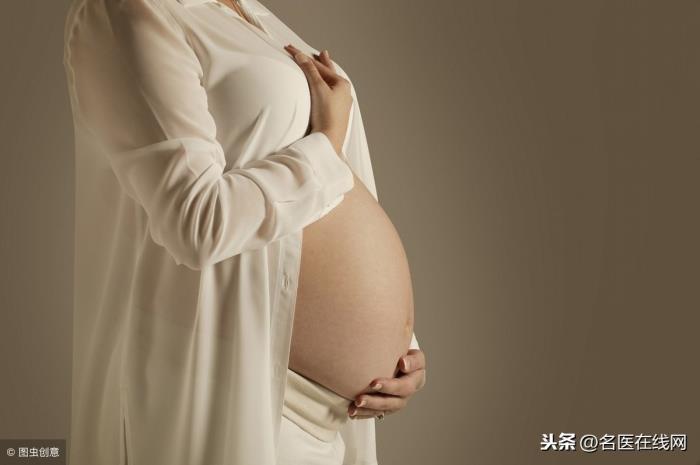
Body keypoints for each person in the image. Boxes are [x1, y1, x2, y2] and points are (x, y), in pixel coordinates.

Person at [62, 0, 427, 464]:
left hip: (331, 419)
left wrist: (398, 346)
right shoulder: (129, 12)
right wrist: (327, 141)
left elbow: (336, 193)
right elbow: (196, 221)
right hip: (242, 390)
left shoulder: (251, 15)